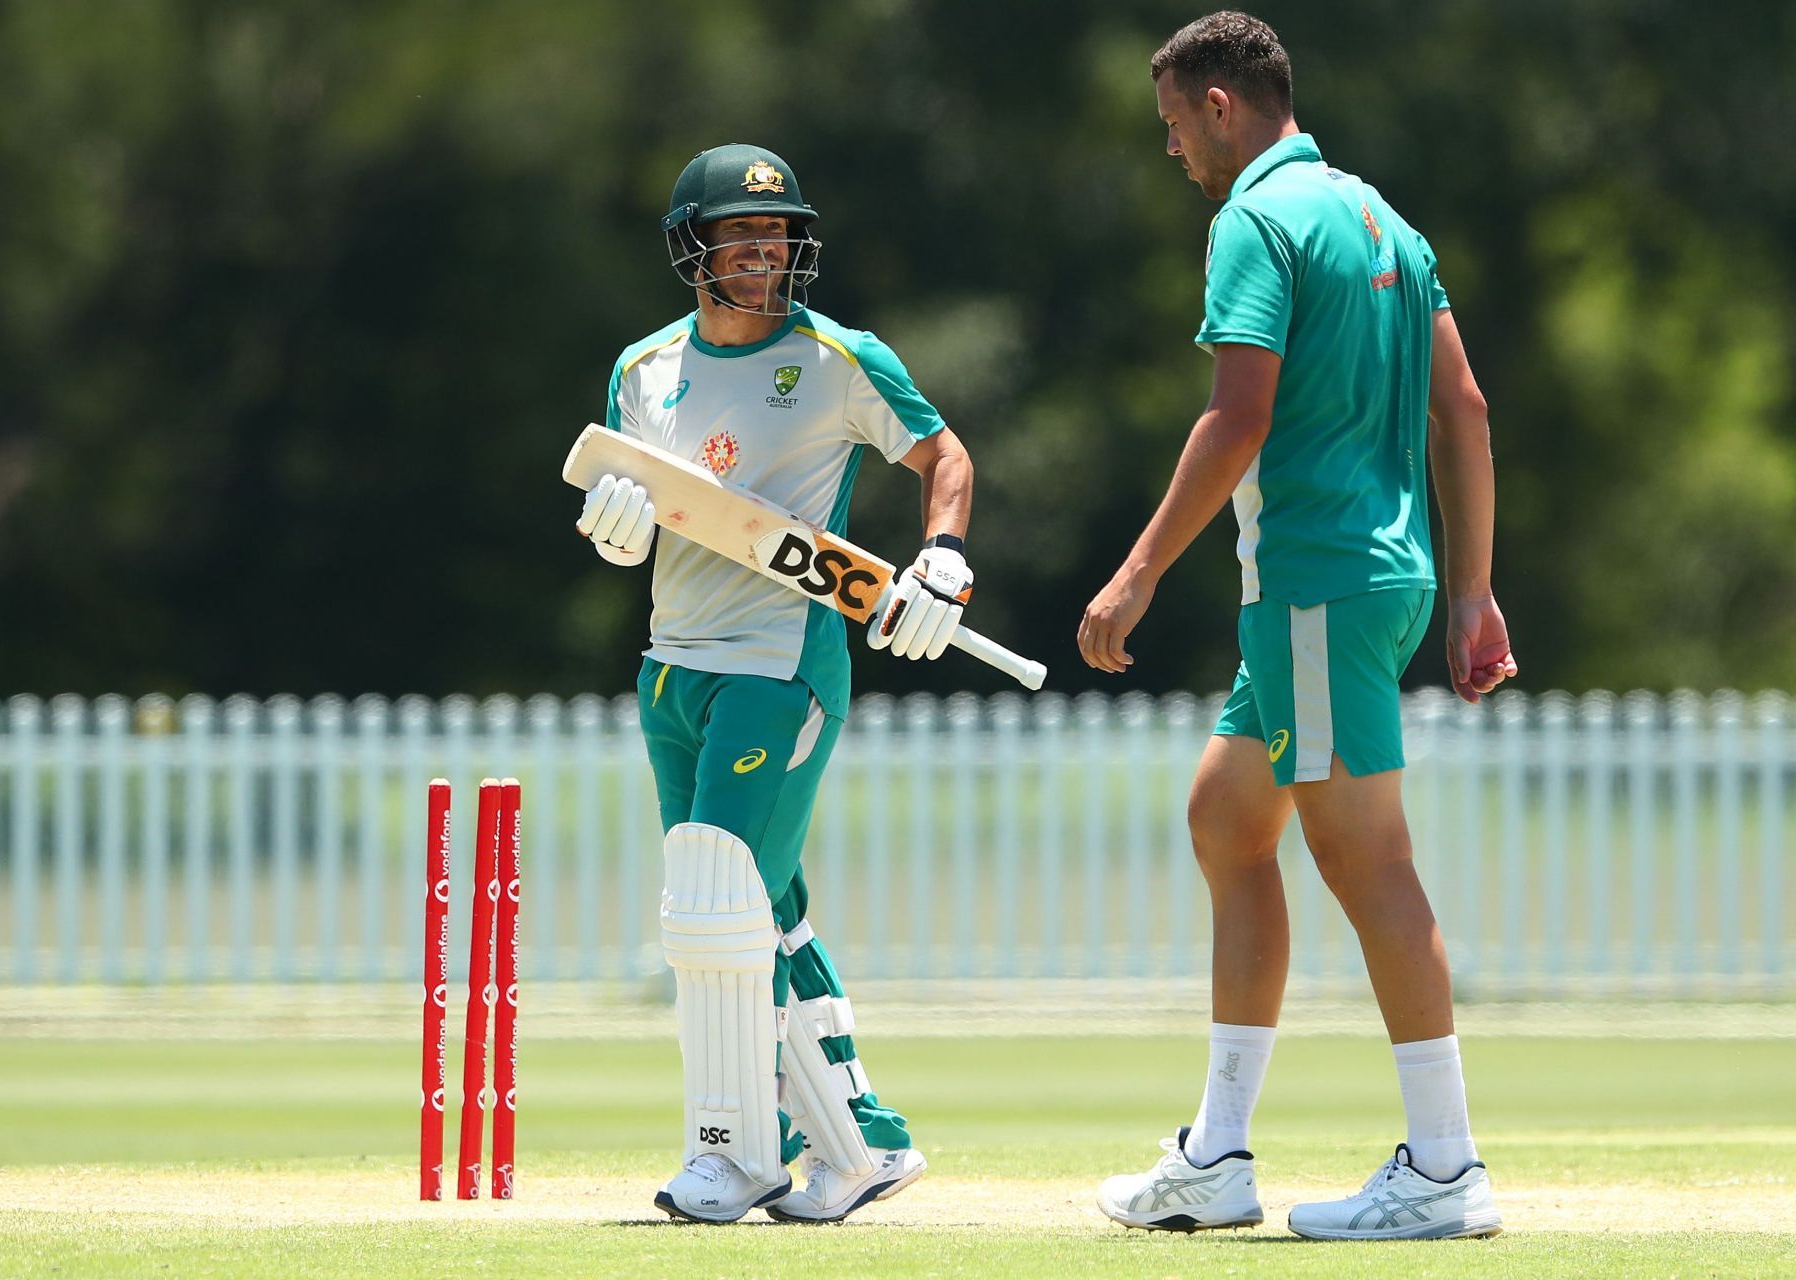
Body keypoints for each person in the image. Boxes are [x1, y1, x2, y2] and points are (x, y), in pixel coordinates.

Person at [1079, 12, 1517, 1241]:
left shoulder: (1252, 221)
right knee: (1227, 818)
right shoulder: (1384, 219)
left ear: (1221, 105)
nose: (1172, 149)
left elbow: (1237, 416)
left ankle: (1444, 1165)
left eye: (1173, 124)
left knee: (1367, 861)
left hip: (1317, 585)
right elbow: (1466, 410)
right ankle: (1217, 1155)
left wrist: (1137, 570)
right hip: (1368, 585)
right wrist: (1473, 591)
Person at [580, 143, 977, 1223]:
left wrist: (940, 557)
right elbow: (631, 499)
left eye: (777, 235)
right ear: (693, 251)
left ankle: (734, 1149)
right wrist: (615, 532)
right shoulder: (644, 367)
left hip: (780, 663)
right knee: (761, 911)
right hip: (673, 665)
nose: (764, 253)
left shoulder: (840, 357)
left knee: (712, 905)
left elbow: (945, 458)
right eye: (739, 237)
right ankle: (861, 1146)